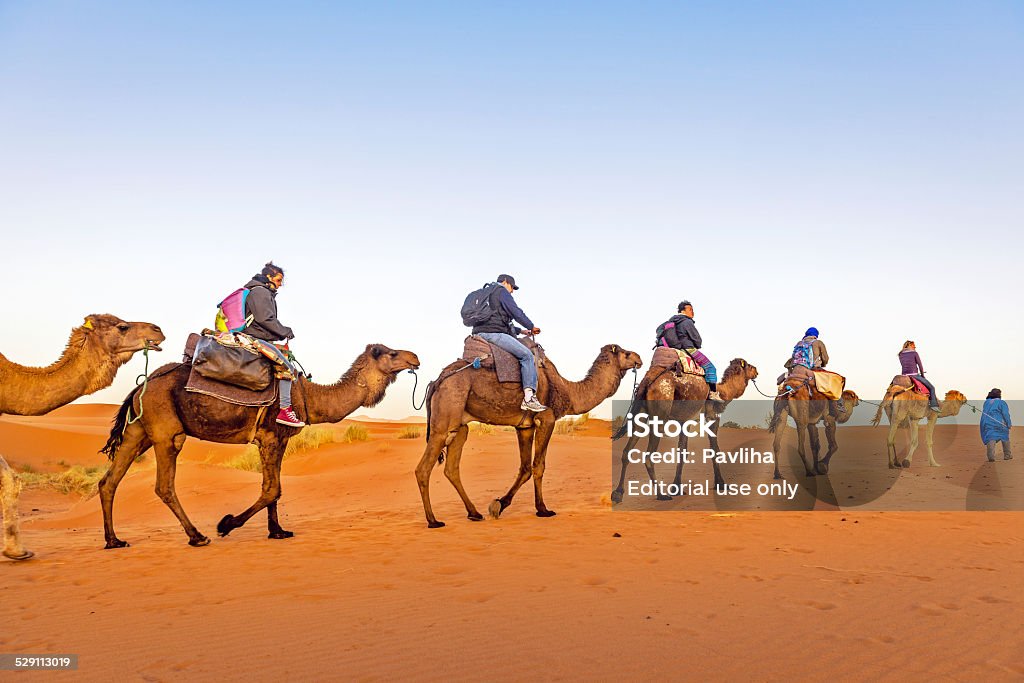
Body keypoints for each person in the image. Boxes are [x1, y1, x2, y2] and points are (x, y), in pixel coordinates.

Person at [241, 262, 304, 428]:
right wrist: (284, 331)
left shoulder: (257, 290)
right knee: (287, 368)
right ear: (268, 277)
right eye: (278, 279)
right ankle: (284, 410)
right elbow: (265, 319)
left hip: (256, 335)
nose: (280, 284)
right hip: (254, 338)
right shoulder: (261, 292)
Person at [471, 274, 547, 412]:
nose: (511, 291)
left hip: (480, 332)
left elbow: (497, 320)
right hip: (493, 334)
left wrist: (521, 331)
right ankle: (529, 399)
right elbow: (516, 313)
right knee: (527, 356)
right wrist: (531, 326)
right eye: (512, 287)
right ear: (505, 282)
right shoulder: (501, 292)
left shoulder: (486, 293)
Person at [659, 300, 725, 404]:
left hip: (676, 348)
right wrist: (697, 344)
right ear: (683, 311)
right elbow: (697, 339)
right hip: (688, 348)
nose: (692, 312)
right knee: (710, 367)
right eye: (690, 309)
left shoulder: (673, 322)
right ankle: (713, 393)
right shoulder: (687, 322)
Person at [784, 327, 845, 413]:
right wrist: (823, 364)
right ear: (816, 335)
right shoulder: (818, 343)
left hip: (795, 370)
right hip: (811, 370)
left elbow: (794, 357)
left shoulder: (799, 343)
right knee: (837, 379)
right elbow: (825, 358)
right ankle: (838, 403)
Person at [898, 340, 939, 412]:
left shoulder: (900, 354)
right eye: (913, 345)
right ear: (909, 345)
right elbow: (920, 365)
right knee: (932, 388)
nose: (915, 347)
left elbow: (903, 365)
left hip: (904, 375)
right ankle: (934, 405)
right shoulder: (914, 353)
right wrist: (922, 375)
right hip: (914, 375)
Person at [980, 388, 1012, 462]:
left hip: (988, 423)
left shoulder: (986, 402)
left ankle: (991, 456)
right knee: (1005, 438)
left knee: (991, 438)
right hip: (1000, 423)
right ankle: (1007, 455)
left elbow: (984, 414)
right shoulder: (1002, 402)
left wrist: (983, 425)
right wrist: (1009, 423)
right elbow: (1005, 414)